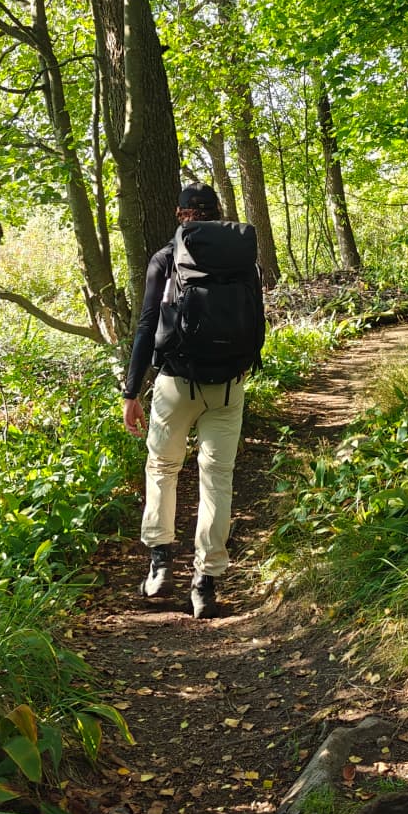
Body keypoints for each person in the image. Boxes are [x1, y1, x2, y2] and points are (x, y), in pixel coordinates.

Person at [122, 183, 265, 619]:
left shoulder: (166, 259)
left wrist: (131, 391)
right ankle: (205, 583)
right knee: (216, 479)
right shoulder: (243, 260)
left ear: (180, 214)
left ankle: (161, 562)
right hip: (228, 386)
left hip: (175, 384)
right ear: (218, 213)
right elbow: (256, 318)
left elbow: (148, 325)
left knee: (163, 469)